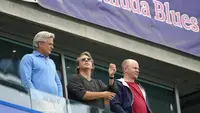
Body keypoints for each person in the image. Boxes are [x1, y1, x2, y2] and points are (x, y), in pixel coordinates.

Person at [19, 31, 63, 97]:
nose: (52, 47)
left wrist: (60, 100)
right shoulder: (29, 58)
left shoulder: (51, 62)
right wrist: (38, 99)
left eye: (52, 44)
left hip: (54, 104)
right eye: (49, 44)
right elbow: (26, 81)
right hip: (36, 103)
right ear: (40, 44)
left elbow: (58, 83)